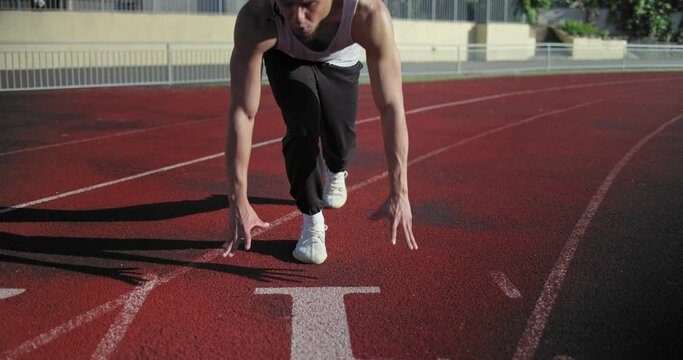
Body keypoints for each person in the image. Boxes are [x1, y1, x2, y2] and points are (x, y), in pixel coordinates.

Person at [223, 0, 417, 264]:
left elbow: (392, 106)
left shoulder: (367, 13)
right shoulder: (259, 16)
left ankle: (336, 169)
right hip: (286, 58)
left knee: (340, 141)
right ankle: (312, 219)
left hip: (340, 60)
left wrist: (400, 193)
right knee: (302, 128)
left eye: (308, 4)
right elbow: (243, 112)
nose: (297, 17)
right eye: (288, 5)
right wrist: (238, 200)